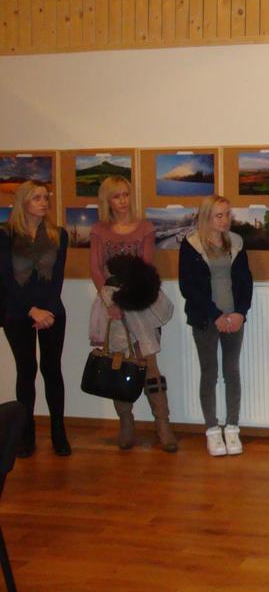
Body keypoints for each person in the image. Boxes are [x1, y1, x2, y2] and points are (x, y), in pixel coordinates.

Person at [89, 176, 177, 452]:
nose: (123, 201)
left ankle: (162, 424)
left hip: (141, 303)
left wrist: (131, 297)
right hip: (112, 305)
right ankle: (126, 423)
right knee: (119, 363)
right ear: (107, 200)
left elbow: (146, 267)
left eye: (126, 194)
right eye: (116, 196)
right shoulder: (99, 230)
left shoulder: (144, 227)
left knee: (149, 364)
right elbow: (96, 269)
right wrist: (111, 304)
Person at [179, 195, 253, 457]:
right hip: (206, 319)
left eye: (227, 214)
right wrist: (215, 315)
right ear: (206, 217)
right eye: (219, 215)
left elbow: (245, 281)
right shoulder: (191, 245)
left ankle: (232, 427)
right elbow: (189, 288)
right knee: (209, 373)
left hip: (234, 318)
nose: (225, 220)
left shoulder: (236, 242)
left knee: (232, 371)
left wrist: (240, 313)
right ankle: (212, 430)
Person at [0, 180, 70, 457]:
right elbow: (6, 279)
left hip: (52, 312)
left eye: (45, 197)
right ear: (23, 202)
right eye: (36, 198)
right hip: (18, 313)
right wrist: (32, 310)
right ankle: (25, 435)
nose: (43, 203)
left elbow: (58, 278)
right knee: (26, 371)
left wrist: (46, 310)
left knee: (52, 370)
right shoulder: (5, 235)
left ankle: (58, 433)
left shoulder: (58, 234)